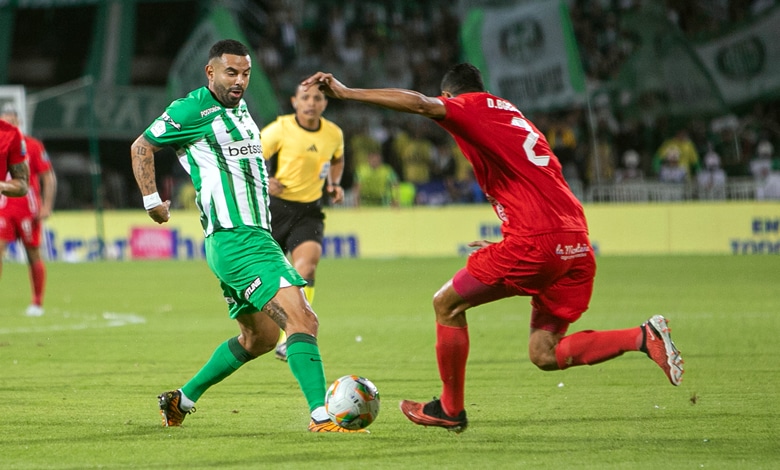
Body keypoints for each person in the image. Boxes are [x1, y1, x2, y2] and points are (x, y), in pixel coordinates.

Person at [302, 63, 684, 433]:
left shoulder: (471, 107)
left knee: (446, 304)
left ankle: (450, 410)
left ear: (449, 95)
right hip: (575, 241)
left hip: (538, 241)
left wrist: (347, 92)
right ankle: (642, 336)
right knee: (544, 353)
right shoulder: (513, 115)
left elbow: (420, 104)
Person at [130, 39, 362, 433]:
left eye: (245, 73)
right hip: (238, 240)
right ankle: (322, 417)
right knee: (303, 320)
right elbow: (142, 146)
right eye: (231, 72)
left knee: (260, 339)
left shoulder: (241, 111)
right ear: (211, 72)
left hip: (248, 239)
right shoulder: (192, 109)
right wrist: (152, 200)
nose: (239, 81)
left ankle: (180, 400)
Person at [260, 81, 345, 361]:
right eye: (305, 97)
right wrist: (265, 180)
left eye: (317, 98)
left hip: (309, 212)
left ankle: (291, 337)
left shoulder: (333, 133)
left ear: (325, 103)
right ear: (295, 101)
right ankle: (263, 328)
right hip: (274, 210)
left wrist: (334, 183)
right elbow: (249, 158)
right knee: (266, 278)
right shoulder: (279, 129)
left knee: (306, 268)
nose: (311, 103)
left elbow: (337, 159)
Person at [0, 105, 56, 316]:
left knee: (32, 253)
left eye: (11, 120)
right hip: (4, 207)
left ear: (18, 122)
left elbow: (48, 176)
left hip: (27, 208)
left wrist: (47, 205)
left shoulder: (31, 145)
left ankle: (37, 301)